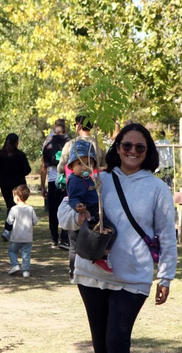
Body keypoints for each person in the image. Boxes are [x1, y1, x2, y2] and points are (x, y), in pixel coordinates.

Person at [57, 123, 178, 353]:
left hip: (132, 278)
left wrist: (165, 276)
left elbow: (166, 236)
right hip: (92, 273)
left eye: (140, 146)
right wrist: (79, 214)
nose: (133, 151)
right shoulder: (97, 178)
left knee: (117, 342)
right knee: (101, 346)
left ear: (148, 150)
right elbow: (64, 216)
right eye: (127, 145)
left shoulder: (158, 189)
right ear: (118, 147)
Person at [57, 114, 107, 278]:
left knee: (75, 242)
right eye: (80, 163)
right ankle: (80, 271)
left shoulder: (70, 145)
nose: (85, 165)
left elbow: (60, 168)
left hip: (87, 203)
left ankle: (76, 271)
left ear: (78, 126)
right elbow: (105, 166)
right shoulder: (98, 146)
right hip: (83, 203)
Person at [66, 140, 113, 274]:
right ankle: (99, 257)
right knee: (103, 233)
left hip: (97, 210)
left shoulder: (89, 179)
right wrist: (78, 206)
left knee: (111, 232)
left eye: (88, 163)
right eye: (80, 163)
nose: (84, 167)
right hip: (89, 212)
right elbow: (73, 198)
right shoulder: (75, 181)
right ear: (72, 165)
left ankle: (101, 256)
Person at [0, 133, 31, 242]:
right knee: (15, 207)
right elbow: (27, 170)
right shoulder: (20, 155)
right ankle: (8, 230)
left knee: (10, 205)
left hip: (4, 184)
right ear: (17, 142)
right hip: (18, 184)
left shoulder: (0, 155)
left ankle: (12, 229)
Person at [41, 123, 71, 249]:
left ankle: (54, 238)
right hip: (67, 180)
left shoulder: (48, 146)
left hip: (53, 180)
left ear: (54, 132)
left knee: (53, 210)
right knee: (67, 208)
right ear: (65, 132)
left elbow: (43, 168)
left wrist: (43, 186)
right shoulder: (70, 144)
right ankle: (65, 238)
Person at [6, 185, 39, 278]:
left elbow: (9, 221)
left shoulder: (14, 209)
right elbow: (35, 221)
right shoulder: (30, 209)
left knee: (12, 252)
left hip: (16, 237)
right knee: (26, 254)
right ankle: (26, 271)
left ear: (16, 197)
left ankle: (15, 265)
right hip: (28, 237)